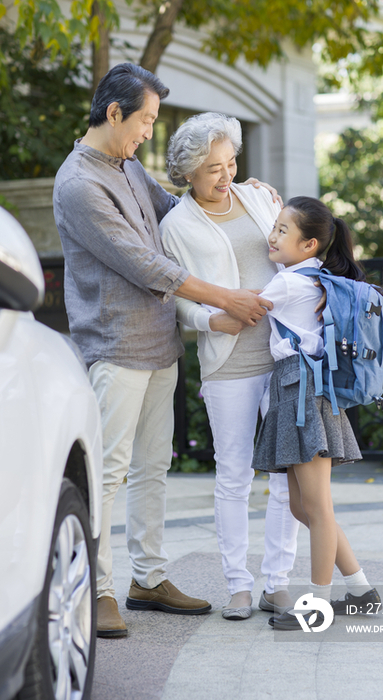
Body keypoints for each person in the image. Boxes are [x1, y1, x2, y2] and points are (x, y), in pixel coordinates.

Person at [53, 63, 278, 638]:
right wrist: (226, 296)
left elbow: (181, 208)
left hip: (160, 343)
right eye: (146, 119)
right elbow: (147, 263)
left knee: (153, 467)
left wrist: (241, 190)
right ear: (113, 113)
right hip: (116, 345)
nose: (150, 132)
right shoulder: (81, 182)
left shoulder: (127, 166)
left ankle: (147, 578)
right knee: (108, 472)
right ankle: (99, 588)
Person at [161, 113, 302, 620]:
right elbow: (176, 295)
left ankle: (277, 581)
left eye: (231, 163)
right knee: (234, 477)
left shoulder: (259, 197)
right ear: (189, 174)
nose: (226, 176)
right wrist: (209, 321)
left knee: (288, 472)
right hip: (229, 361)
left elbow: (290, 251)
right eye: (213, 169)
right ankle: (239, 586)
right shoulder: (175, 225)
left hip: (285, 355)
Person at [250, 196, 382, 631]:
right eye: (274, 226)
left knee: (317, 509)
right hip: (302, 393)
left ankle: (317, 607)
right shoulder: (317, 279)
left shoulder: (288, 284)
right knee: (304, 509)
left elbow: (241, 312)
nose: (272, 235)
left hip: (302, 394)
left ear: (308, 245)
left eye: (283, 230)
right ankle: (361, 591)